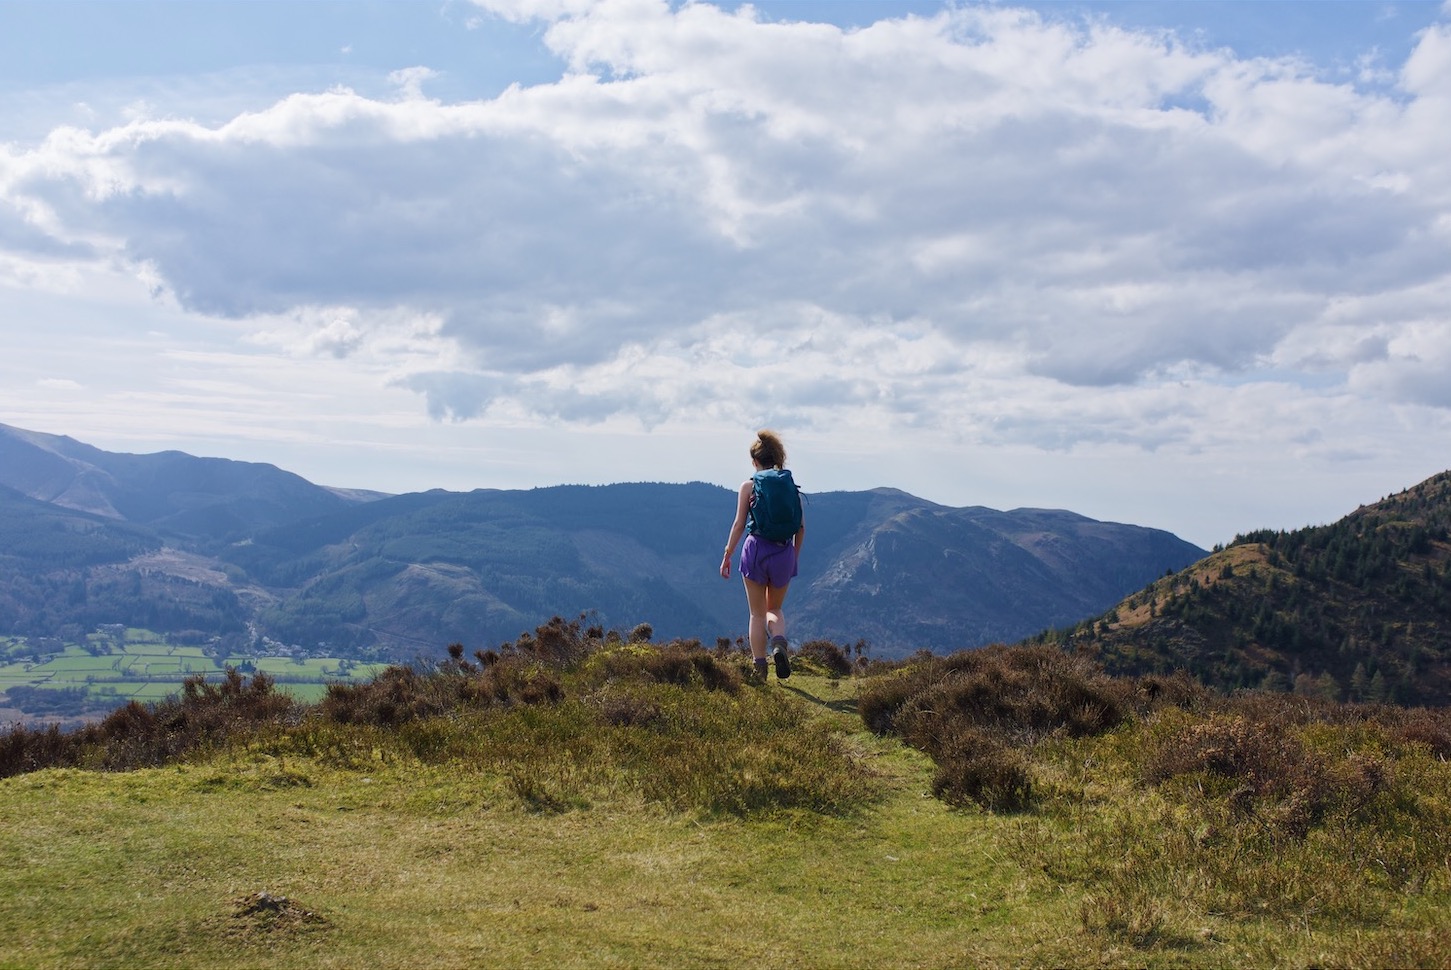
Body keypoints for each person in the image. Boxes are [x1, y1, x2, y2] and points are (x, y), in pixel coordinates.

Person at [720, 429, 804, 682]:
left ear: (755, 461)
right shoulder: (790, 488)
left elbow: (738, 524)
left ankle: (759, 669)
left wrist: (727, 554)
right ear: (776, 458)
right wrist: (793, 557)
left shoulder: (748, 486)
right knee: (774, 608)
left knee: (756, 613)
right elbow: (800, 528)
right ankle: (778, 643)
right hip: (783, 552)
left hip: (755, 550)